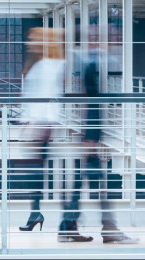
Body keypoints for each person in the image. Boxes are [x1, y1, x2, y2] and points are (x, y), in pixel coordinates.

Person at [57, 42, 140, 244]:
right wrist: (91, 138)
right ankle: (105, 228)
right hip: (90, 136)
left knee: (85, 183)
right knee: (95, 184)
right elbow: (91, 102)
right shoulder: (89, 63)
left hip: (90, 135)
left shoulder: (86, 62)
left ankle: (70, 226)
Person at [19, 27, 65, 231]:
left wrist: (33, 123)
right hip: (38, 123)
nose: (28, 43)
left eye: (32, 39)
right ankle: (35, 212)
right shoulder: (41, 63)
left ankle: (36, 213)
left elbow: (47, 97)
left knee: (35, 171)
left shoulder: (49, 65)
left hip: (40, 124)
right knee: (34, 172)